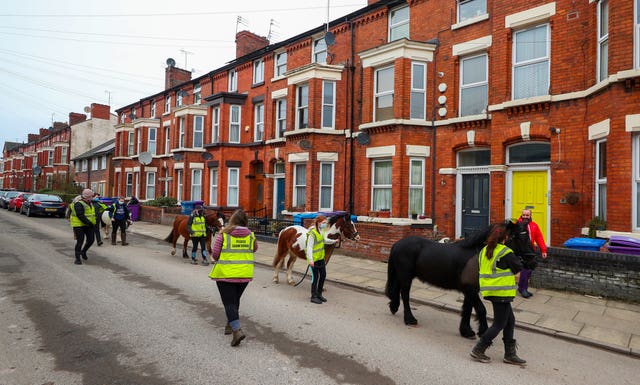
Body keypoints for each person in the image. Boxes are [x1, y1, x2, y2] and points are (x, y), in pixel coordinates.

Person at [470, 225, 526, 366]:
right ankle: (478, 349)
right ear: (505, 238)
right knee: (499, 324)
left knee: (510, 320)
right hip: (501, 291)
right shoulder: (505, 252)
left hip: (491, 290)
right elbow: (518, 269)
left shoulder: (484, 251)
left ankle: (510, 354)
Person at [209, 209, 258, 347]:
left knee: (229, 303)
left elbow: (216, 253)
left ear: (232, 220)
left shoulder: (223, 235)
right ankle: (230, 325)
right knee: (234, 301)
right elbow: (254, 249)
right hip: (244, 274)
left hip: (226, 274)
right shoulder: (251, 236)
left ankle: (237, 331)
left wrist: (214, 258)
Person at [306, 215, 337, 304]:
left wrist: (333, 241)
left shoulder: (321, 230)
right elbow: (309, 247)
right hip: (314, 259)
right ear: (318, 223)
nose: (325, 224)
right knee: (315, 277)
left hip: (320, 258)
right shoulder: (312, 233)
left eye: (325, 223)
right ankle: (313, 296)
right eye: (323, 223)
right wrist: (310, 260)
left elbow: (324, 240)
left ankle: (319, 294)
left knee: (323, 275)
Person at [517, 208, 548, 298]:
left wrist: (543, 250)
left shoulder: (534, 225)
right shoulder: (517, 225)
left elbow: (539, 238)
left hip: (530, 251)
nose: (525, 217)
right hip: (521, 251)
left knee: (529, 270)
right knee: (525, 270)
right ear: (521, 215)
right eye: (524, 215)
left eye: (527, 215)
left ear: (530, 216)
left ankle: (521, 287)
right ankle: (523, 289)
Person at [69, 189, 97, 265]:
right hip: (79, 225)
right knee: (80, 241)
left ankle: (83, 251)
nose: (93, 197)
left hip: (88, 225)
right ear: (87, 197)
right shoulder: (78, 203)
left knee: (91, 240)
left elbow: (91, 213)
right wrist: (89, 223)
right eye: (91, 196)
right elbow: (80, 215)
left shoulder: (90, 202)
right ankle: (77, 259)